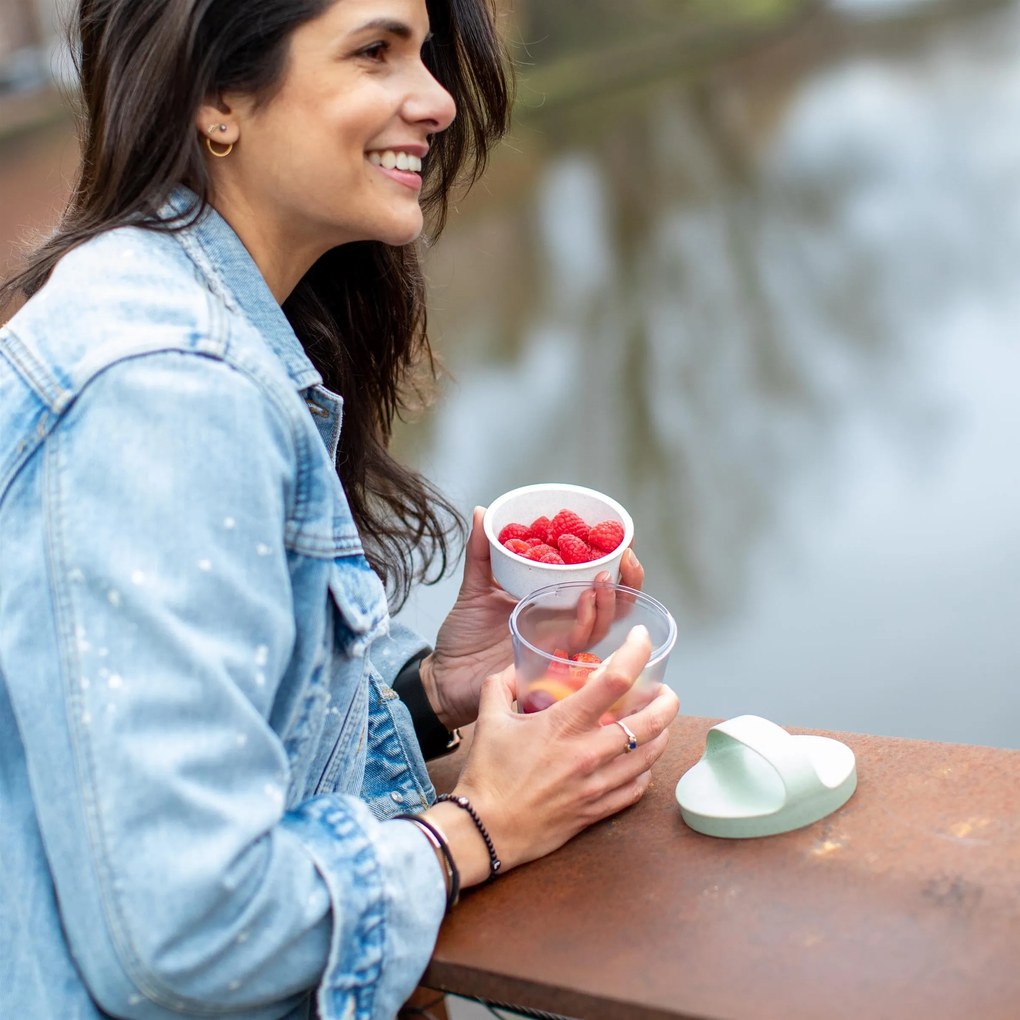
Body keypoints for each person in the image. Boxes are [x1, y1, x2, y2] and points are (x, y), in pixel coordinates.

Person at [0, 0, 680, 1018]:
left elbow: (221, 740)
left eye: (425, 53)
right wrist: (478, 829)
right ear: (219, 96)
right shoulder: (165, 396)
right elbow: (180, 933)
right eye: (376, 50)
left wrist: (434, 692)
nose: (439, 99)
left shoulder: (200, 328)